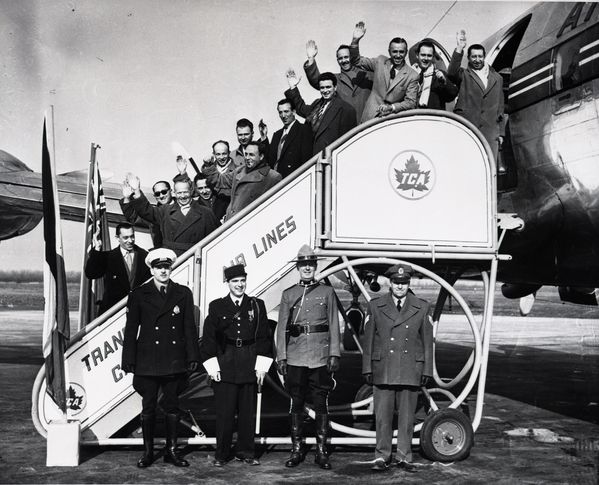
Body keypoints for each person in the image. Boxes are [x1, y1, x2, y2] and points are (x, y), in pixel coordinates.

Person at [121, 248, 200, 468]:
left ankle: (172, 451)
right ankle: (147, 453)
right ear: (151, 269)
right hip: (147, 360)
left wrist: (192, 355)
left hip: (174, 359)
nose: (163, 271)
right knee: (148, 407)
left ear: (171, 268)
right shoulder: (138, 294)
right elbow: (131, 330)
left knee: (173, 407)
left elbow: (188, 328)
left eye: (166, 267)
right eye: (158, 267)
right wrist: (128, 359)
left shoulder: (183, 293)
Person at [362, 264, 433, 471]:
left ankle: (404, 456)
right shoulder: (375, 306)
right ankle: (382, 456)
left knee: (407, 417)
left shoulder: (421, 306)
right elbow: (368, 341)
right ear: (389, 283)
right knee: (383, 417)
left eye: (404, 283)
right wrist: (367, 367)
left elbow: (427, 341)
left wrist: (427, 369)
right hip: (383, 367)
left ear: (408, 284)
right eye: (396, 283)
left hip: (410, 368)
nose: (400, 287)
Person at [275, 245, 341, 470]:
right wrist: (281, 357)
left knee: (321, 402)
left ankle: (321, 451)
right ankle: (297, 449)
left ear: (315, 267)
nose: (307, 268)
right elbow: (281, 327)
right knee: (297, 402)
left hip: (320, 355)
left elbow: (333, 324)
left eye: (311, 265)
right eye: (303, 265)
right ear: (298, 268)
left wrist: (334, 353)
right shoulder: (289, 294)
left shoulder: (327, 292)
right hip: (295, 355)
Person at [200, 264, 273, 467]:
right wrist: (212, 366)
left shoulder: (257, 305)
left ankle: (246, 452)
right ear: (228, 283)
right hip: (226, 361)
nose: (239, 285)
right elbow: (209, 338)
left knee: (247, 412)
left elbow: (263, 337)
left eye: (242, 281)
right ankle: (221, 454)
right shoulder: (217, 306)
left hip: (249, 360)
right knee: (224, 412)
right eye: (235, 281)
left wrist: (261, 365)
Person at [124, 175, 219, 256]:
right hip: (171, 259)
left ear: (191, 191)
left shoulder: (206, 213)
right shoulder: (165, 211)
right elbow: (147, 211)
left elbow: (215, 241)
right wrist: (137, 191)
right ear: (174, 193)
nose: (182, 196)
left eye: (185, 192)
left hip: (194, 258)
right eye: (179, 193)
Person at [447, 30, 505, 161]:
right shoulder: (464, 74)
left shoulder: (497, 78)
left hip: (490, 132)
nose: (477, 60)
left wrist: (501, 133)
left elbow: (500, 107)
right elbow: (451, 73)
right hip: (468, 127)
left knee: (489, 166)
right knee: (468, 163)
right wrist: (459, 48)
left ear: (484, 57)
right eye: (474, 57)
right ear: (468, 58)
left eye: (480, 56)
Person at [349, 21, 419, 123]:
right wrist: (355, 41)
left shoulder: (412, 75)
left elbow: (411, 102)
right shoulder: (380, 61)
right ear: (389, 51)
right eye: (394, 51)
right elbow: (357, 61)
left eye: (401, 52)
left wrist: (392, 107)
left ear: (406, 52)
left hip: (391, 121)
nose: (398, 55)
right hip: (369, 118)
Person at [284, 70, 357, 155]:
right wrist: (293, 87)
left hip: (330, 158)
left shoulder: (346, 109)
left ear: (335, 87)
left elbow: (349, 142)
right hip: (311, 157)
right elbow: (301, 109)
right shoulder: (317, 104)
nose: (325, 91)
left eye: (328, 87)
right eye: (322, 88)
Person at [84, 223, 150, 314]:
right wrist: (97, 248)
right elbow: (91, 273)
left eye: (132, 236)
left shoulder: (146, 256)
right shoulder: (108, 257)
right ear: (117, 238)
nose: (130, 241)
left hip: (140, 312)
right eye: (126, 238)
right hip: (114, 313)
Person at [304, 40, 373, 121]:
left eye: (346, 57)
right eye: (340, 58)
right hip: (348, 128)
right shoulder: (335, 79)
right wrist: (311, 58)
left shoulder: (368, 75)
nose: (343, 61)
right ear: (337, 60)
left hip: (371, 125)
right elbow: (317, 81)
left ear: (352, 57)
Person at [225, 141, 282, 220]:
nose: (247, 158)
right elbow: (221, 181)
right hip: (231, 223)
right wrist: (209, 167)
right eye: (246, 154)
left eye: (251, 155)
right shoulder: (239, 170)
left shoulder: (272, 177)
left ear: (261, 156)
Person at [267, 99, 313, 178]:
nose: (283, 116)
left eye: (286, 111)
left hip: (293, 180)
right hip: (276, 181)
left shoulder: (304, 130)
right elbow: (271, 160)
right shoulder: (277, 135)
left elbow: (306, 160)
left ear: (294, 112)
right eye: (280, 112)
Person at [120, 180, 173, 248]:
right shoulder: (152, 214)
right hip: (161, 254)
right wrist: (126, 198)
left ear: (171, 191)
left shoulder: (182, 208)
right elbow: (134, 218)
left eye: (164, 192)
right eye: (157, 194)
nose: (161, 196)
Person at [411, 40, 458, 110]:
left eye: (429, 56)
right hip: (414, 118)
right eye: (423, 55)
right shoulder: (410, 74)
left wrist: (444, 82)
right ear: (417, 55)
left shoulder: (439, 75)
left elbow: (451, 96)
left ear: (433, 57)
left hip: (433, 118)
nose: (426, 58)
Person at [202, 140, 236, 221]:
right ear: (213, 154)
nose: (221, 157)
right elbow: (196, 189)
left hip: (230, 212)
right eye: (218, 154)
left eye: (224, 153)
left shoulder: (237, 170)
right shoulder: (207, 169)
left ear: (229, 153)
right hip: (211, 212)